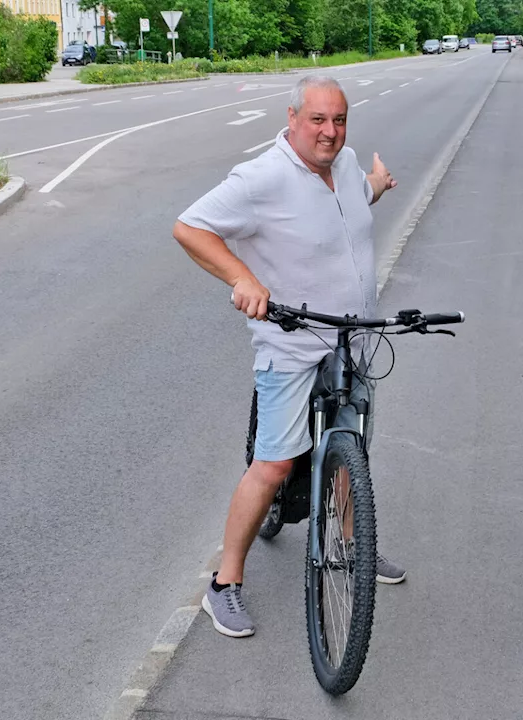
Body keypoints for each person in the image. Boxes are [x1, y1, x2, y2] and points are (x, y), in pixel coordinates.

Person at [173, 75, 400, 638]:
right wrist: (243, 278)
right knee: (273, 465)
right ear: (293, 118)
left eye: (339, 120)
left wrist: (374, 183)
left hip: (355, 340)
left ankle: (354, 549)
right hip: (293, 345)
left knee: (351, 449)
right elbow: (189, 227)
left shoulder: (345, 165)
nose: (330, 131)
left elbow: (348, 206)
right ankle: (224, 585)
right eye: (318, 120)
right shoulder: (262, 178)